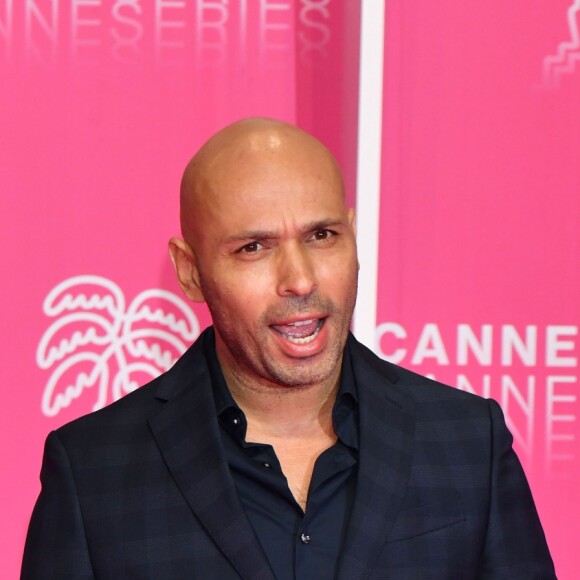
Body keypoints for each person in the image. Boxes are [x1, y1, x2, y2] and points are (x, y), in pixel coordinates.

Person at [22, 118, 556, 579]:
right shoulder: (94, 472)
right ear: (191, 271)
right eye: (254, 248)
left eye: (322, 236)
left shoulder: (467, 443)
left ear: (352, 236)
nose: (300, 280)